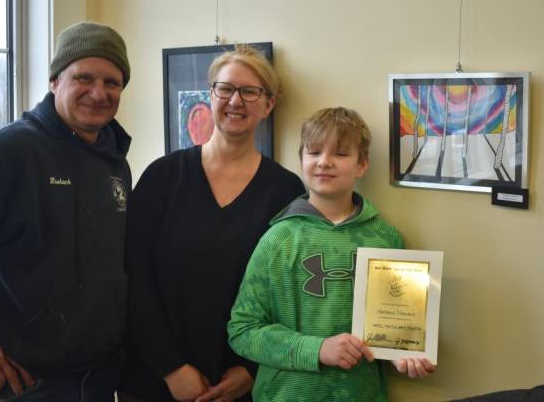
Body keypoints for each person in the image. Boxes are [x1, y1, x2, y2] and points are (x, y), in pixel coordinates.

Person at [0, 21, 132, 401]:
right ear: (54, 81)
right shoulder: (9, 154)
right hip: (23, 385)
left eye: (112, 82)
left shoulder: (113, 159)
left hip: (95, 382)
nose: (98, 93)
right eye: (84, 78)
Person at [118, 46, 305, 402]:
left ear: (268, 105)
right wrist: (171, 368)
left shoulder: (286, 191)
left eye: (250, 91)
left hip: (238, 385)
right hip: (153, 380)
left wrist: (251, 370)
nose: (236, 100)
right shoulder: (163, 177)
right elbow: (133, 277)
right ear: (210, 95)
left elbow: (287, 295)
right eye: (226, 88)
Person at [227, 107, 436, 402]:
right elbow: (243, 331)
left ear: (362, 165)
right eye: (313, 152)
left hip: (360, 395)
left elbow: (394, 328)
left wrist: (402, 355)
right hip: (286, 395)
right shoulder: (277, 240)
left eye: (340, 153)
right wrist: (318, 349)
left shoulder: (385, 239)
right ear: (301, 160)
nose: (324, 162)